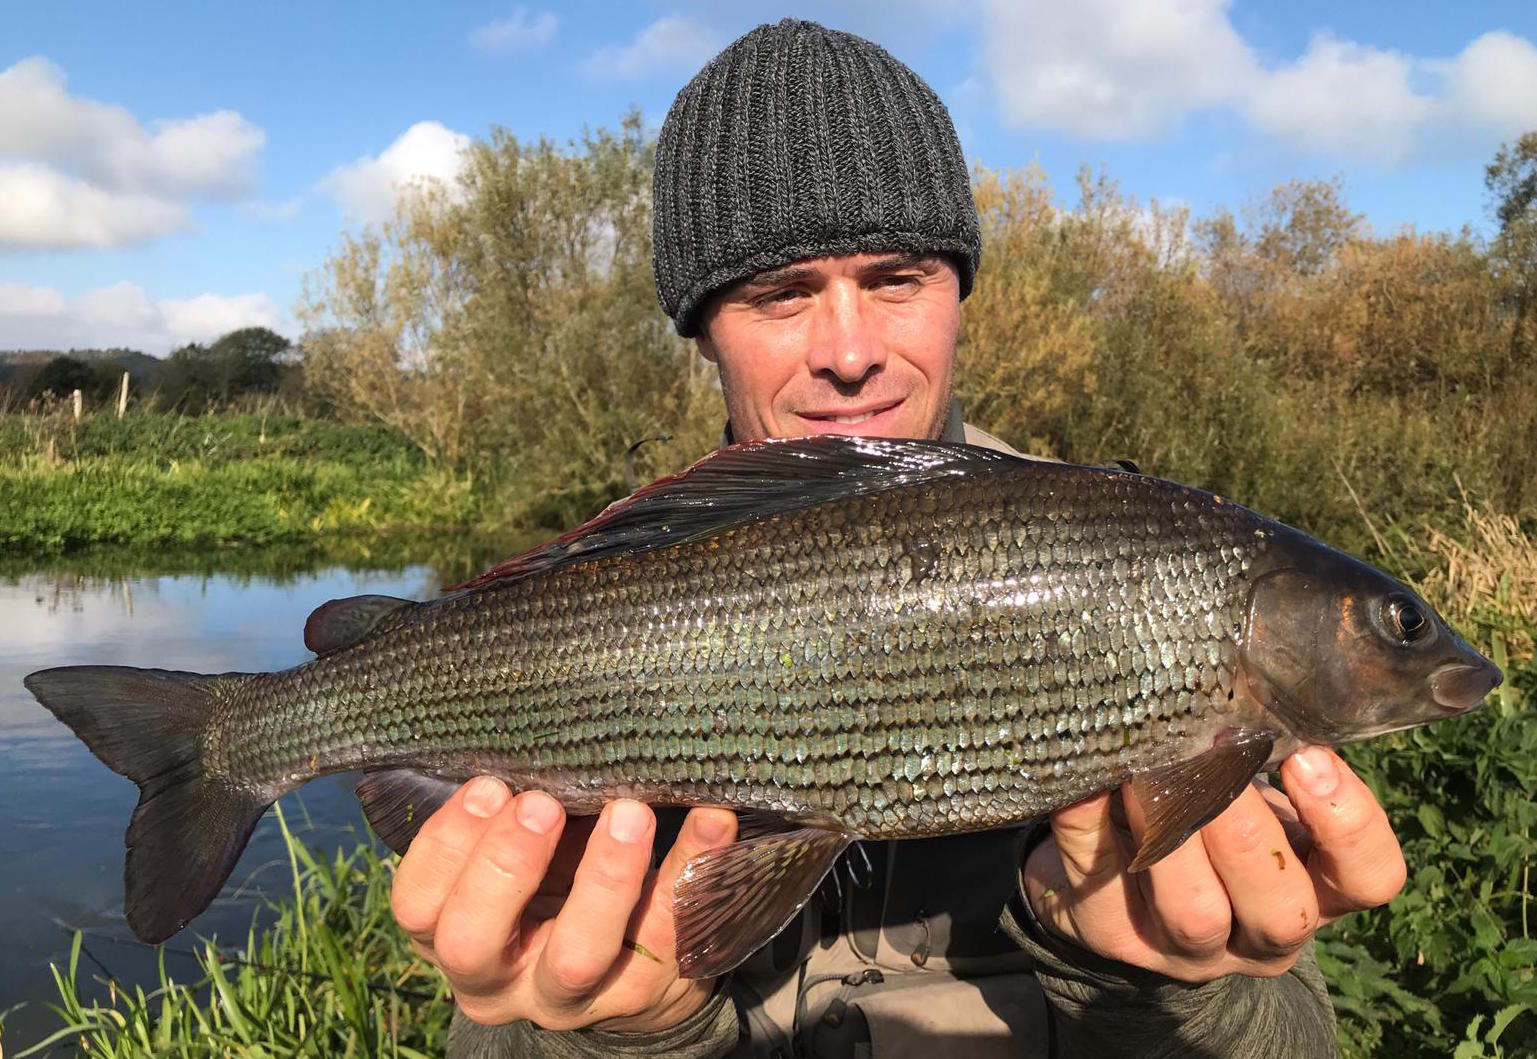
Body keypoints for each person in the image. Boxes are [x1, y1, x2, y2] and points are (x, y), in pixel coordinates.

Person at [389, 19, 1407, 1058]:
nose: (849, 352)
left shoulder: (1135, 568)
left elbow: (1290, 1039)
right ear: (702, 329)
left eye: (896, 279)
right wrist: (617, 1034)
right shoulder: (605, 589)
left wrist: (1164, 990)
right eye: (780, 293)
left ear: (957, 288)